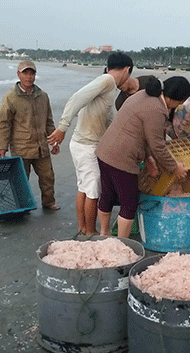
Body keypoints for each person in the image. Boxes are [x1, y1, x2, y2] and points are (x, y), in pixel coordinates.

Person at [48, 52, 133, 235]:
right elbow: (77, 98)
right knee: (93, 191)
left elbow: (110, 118)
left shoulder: (108, 87)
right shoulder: (108, 80)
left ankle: (83, 227)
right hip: (86, 145)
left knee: (84, 188)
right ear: (127, 70)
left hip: (83, 144)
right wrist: (62, 127)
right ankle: (89, 232)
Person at [95, 76, 189, 238]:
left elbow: (140, 132)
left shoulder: (143, 94)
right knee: (129, 203)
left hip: (105, 151)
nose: (178, 106)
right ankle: (122, 244)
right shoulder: (158, 109)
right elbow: (157, 145)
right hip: (122, 159)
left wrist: (148, 159)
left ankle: (104, 233)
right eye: (179, 103)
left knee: (107, 194)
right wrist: (175, 167)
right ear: (171, 98)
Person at [0, 60, 60, 210]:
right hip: (21, 147)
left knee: (48, 177)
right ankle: (22, 206)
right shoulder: (10, 97)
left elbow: (49, 121)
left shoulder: (43, 96)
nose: (29, 77)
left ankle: (49, 202)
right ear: (18, 74)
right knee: (21, 180)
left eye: (32, 73)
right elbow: (3, 123)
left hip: (41, 146)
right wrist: (2, 147)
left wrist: (54, 141)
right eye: (25, 73)